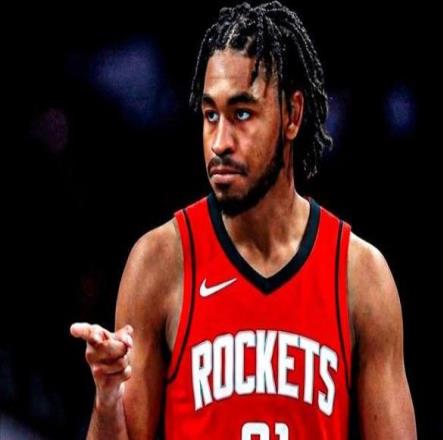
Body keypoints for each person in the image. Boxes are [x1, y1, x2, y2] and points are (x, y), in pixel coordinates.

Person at [70, 1, 417, 438]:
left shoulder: (361, 277)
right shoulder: (159, 263)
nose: (219, 142)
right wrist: (106, 400)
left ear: (292, 115)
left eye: (242, 114)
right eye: (210, 115)